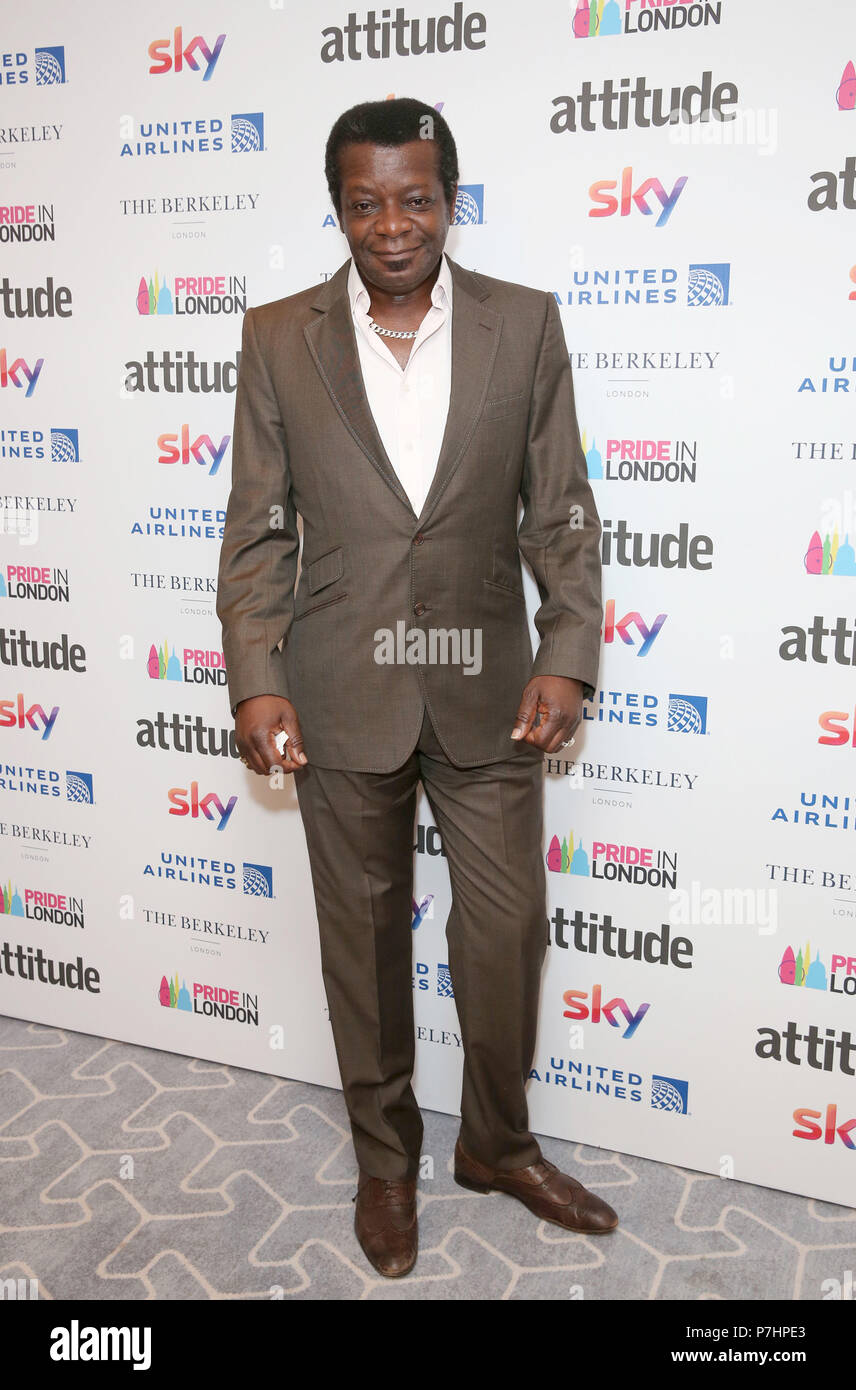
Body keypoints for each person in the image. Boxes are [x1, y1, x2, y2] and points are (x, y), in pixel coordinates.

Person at [216, 97, 618, 1279]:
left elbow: (563, 517)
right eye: (365, 200)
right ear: (337, 205)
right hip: (340, 683)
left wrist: (566, 652)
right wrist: (256, 676)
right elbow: (254, 533)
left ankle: (496, 1144)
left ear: (452, 198)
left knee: (503, 932)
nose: (392, 223)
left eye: (417, 197)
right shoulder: (278, 336)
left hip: (492, 685)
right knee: (362, 944)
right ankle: (385, 1164)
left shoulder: (523, 325)